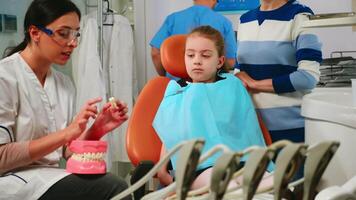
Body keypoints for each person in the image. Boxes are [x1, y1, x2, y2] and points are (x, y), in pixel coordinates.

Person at [0, 0, 131, 199]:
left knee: (114, 185)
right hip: (11, 182)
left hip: (49, 177)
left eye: (76, 33)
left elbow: (69, 152)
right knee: (114, 187)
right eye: (63, 33)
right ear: (35, 33)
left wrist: (98, 128)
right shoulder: (5, 77)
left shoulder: (64, 83)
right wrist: (65, 133)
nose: (73, 43)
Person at [152, 26, 272, 188]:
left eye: (205, 55)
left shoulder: (233, 85)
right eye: (190, 55)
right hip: (199, 167)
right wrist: (162, 170)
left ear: (220, 61)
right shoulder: (178, 90)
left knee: (272, 185)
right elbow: (171, 132)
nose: (197, 60)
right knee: (229, 189)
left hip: (242, 159)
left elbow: (248, 128)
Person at [235, 0, 322, 144]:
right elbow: (240, 73)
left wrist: (255, 84)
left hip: (290, 132)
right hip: (251, 131)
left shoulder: (300, 16)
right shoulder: (245, 20)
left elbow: (308, 77)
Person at [150, 0, 237, 80]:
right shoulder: (224, 22)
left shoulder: (173, 18)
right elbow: (230, 61)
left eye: (205, 55)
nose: (197, 62)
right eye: (191, 55)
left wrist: (166, 76)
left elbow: (155, 53)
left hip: (177, 83)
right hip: (212, 86)